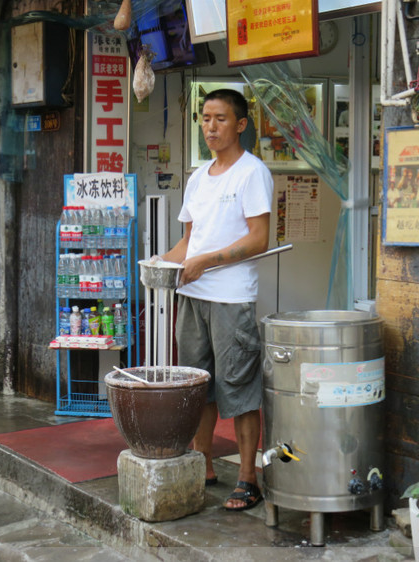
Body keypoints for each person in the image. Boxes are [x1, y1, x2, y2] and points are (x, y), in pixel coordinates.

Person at [160, 89, 273, 511]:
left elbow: (259, 239)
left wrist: (207, 261)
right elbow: (188, 242)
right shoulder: (198, 175)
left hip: (230, 298)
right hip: (192, 294)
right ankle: (202, 462)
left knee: (239, 388)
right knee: (198, 386)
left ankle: (248, 477)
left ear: (240, 125)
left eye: (221, 119)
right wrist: (158, 263)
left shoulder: (251, 172)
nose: (210, 126)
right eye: (205, 118)